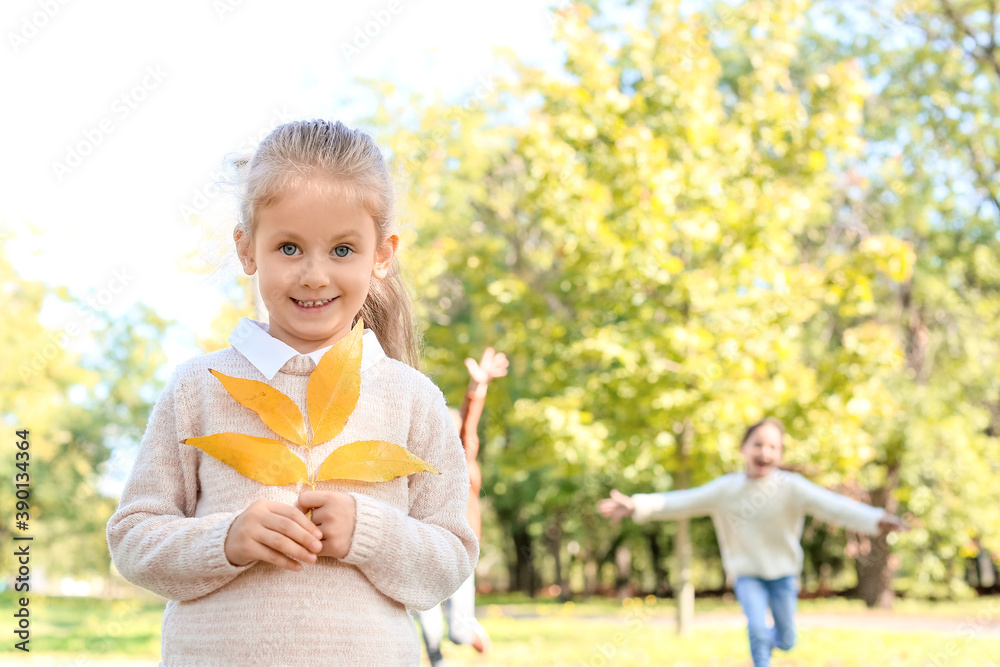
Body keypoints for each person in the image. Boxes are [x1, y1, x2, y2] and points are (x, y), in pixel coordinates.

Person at [106, 120, 479, 666]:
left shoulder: (412, 397)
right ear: (246, 249)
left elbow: (450, 557)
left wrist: (367, 532)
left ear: (382, 253)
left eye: (343, 249)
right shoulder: (198, 388)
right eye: (288, 247)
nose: (314, 274)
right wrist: (225, 540)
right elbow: (134, 540)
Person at [597, 417, 908, 667]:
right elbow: (682, 501)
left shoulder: (792, 487)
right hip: (747, 574)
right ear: (743, 449)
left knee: (787, 640)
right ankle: (761, 658)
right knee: (758, 631)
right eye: (758, 444)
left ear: (780, 454)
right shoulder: (725, 490)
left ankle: (773, 646)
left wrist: (876, 519)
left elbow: (834, 506)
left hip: (784, 574)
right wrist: (637, 505)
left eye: (773, 446)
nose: (765, 452)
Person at [416, 347, 508, 666]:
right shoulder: (419, 463)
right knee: (424, 612)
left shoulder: (463, 458)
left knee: (458, 631)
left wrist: (477, 388)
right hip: (426, 545)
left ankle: (475, 637)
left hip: (458, 546)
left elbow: (468, 423)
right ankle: (437, 660)